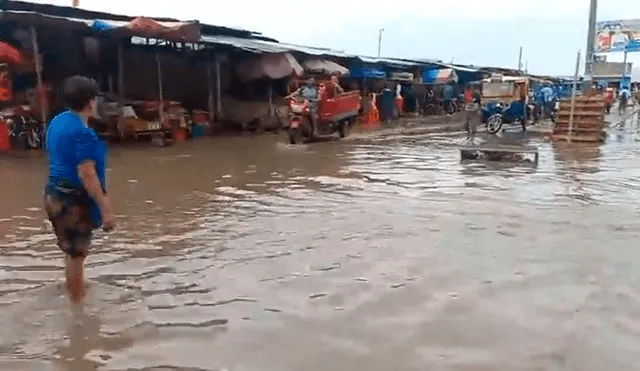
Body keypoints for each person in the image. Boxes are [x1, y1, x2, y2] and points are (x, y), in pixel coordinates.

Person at [44, 76, 115, 302]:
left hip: (53, 194)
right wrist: (105, 208)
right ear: (90, 102)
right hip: (72, 201)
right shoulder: (83, 134)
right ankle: (77, 307)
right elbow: (87, 174)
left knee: (71, 251)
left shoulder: (57, 121)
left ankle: (73, 289)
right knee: (77, 255)